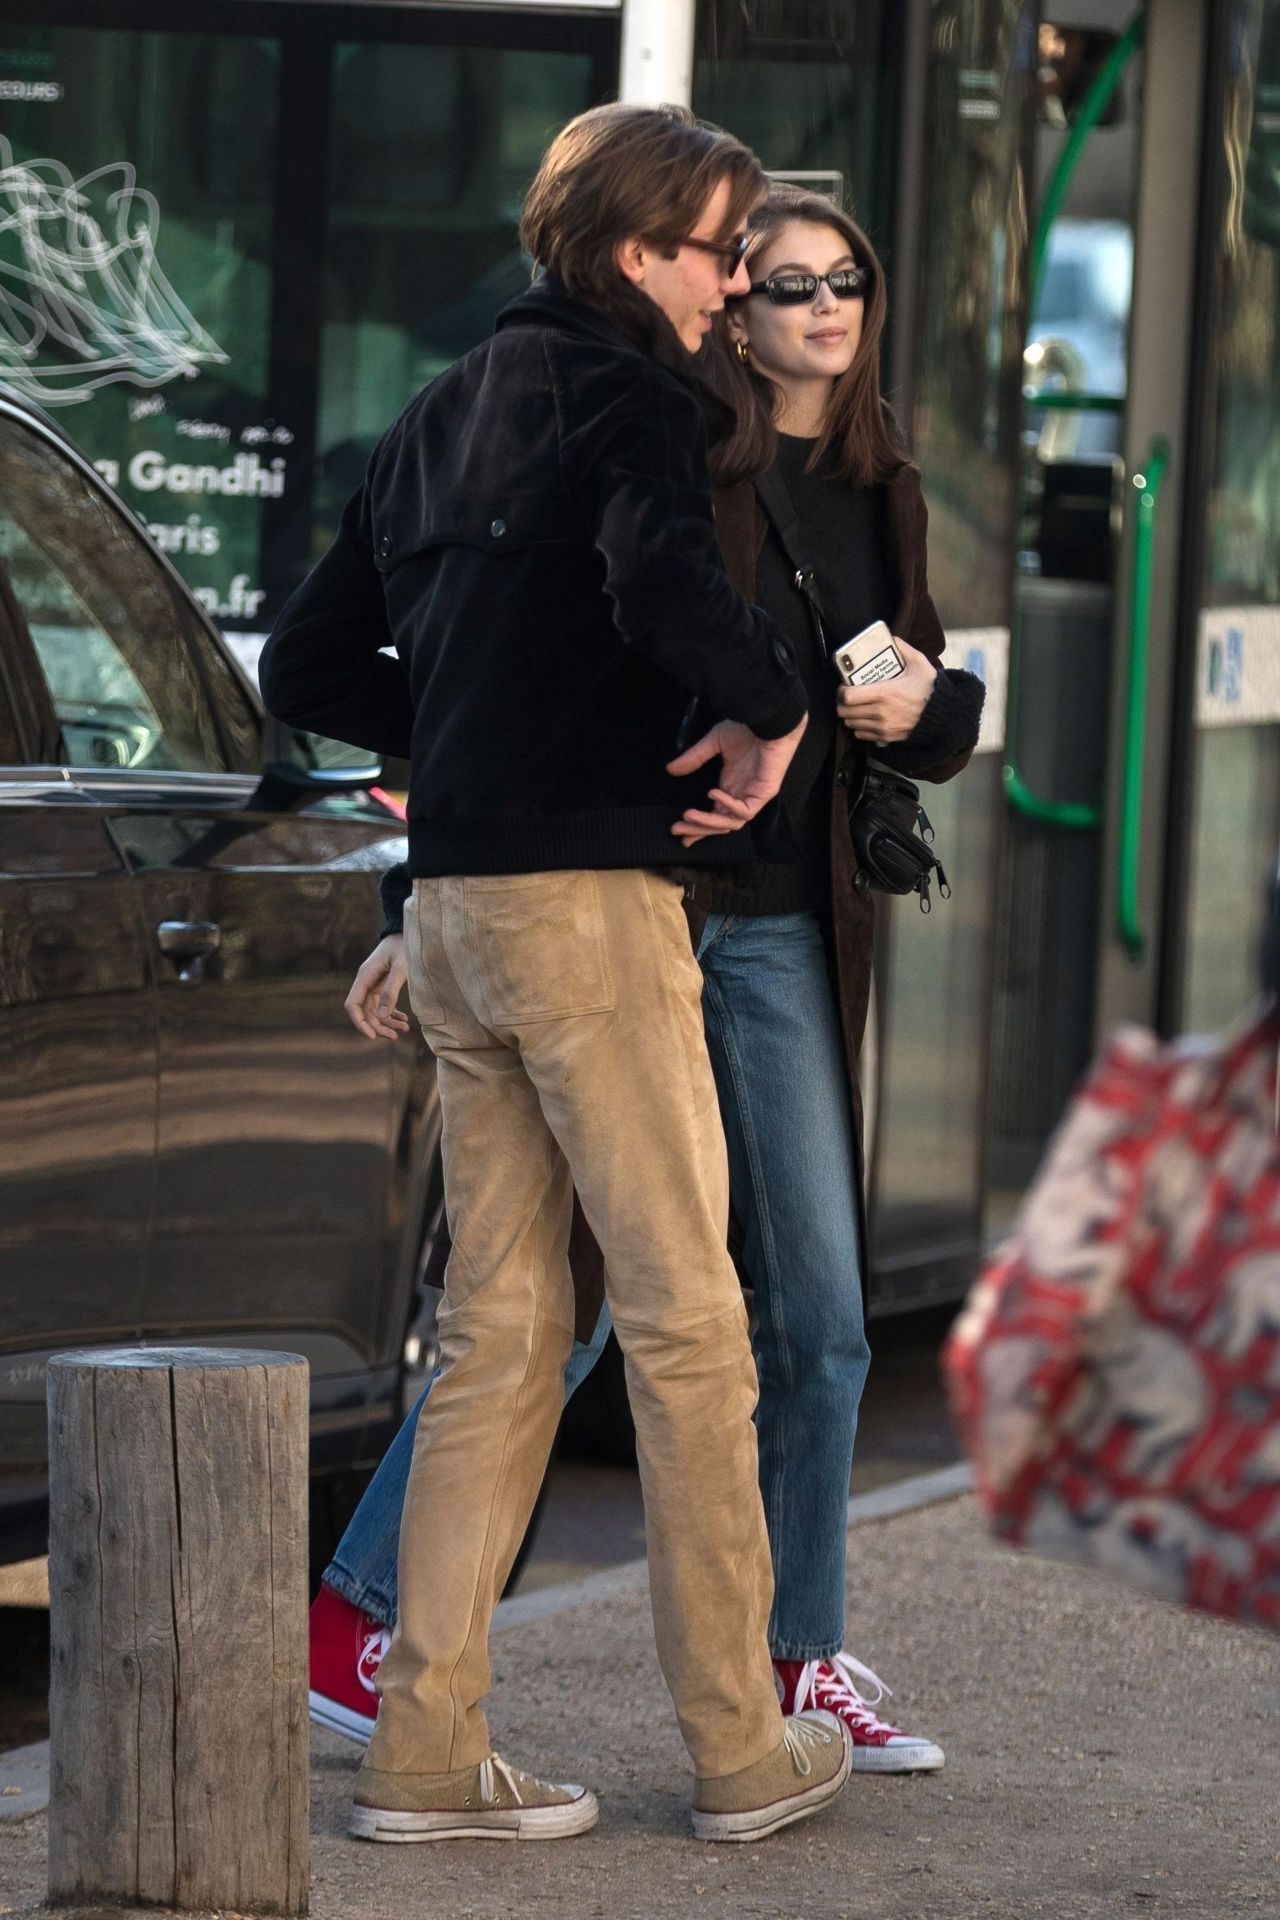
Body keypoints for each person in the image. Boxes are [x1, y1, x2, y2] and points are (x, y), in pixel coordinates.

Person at [309, 184, 984, 1774]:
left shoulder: (883, 490)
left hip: (790, 924)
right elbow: (530, 680)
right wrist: (433, 896)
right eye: (772, 273)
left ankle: (792, 1658)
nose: (814, 301)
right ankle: (389, 1622)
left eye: (846, 280)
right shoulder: (673, 440)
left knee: (815, 1317)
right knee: (587, 1314)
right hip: (642, 903)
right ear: (719, 306)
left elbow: (938, 708)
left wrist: (900, 716)